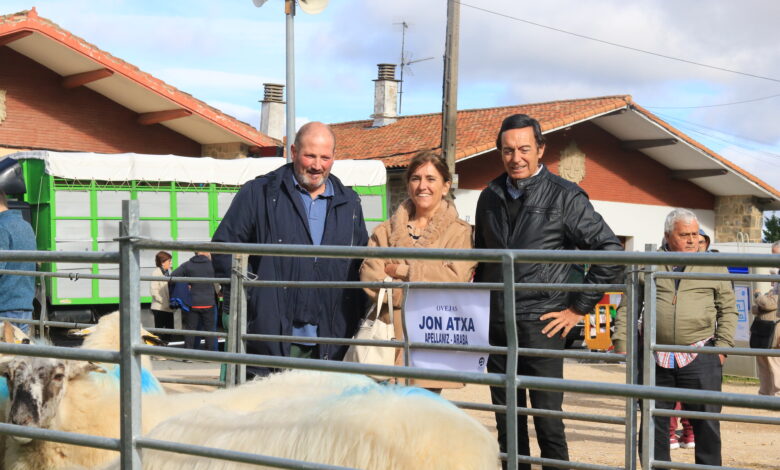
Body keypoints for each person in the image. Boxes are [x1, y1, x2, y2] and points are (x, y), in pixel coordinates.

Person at [473, 114, 623, 469]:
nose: (516, 157)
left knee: (548, 422)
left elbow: (611, 252)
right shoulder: (489, 197)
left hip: (544, 324)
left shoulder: (565, 196)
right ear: (500, 152)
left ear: (541, 149)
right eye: (508, 150)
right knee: (508, 421)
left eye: (525, 148)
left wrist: (578, 308)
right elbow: (482, 261)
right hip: (499, 327)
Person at [211, 121, 368, 377]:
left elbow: (359, 262)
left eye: (325, 157)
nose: (317, 165)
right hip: (269, 336)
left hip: (330, 340)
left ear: (333, 158)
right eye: (310, 155)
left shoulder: (349, 202)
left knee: (321, 415)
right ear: (294, 152)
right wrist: (254, 297)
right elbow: (224, 248)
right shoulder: (260, 192)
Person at [613, 208, 738, 466]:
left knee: (706, 424)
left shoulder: (714, 265)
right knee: (653, 421)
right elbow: (629, 305)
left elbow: (728, 309)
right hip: (654, 354)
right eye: (685, 235)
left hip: (702, 352)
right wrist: (622, 341)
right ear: (668, 235)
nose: (692, 240)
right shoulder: (648, 262)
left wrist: (723, 348)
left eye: (695, 234)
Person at [360, 151, 476, 390]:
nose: (422, 186)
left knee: (423, 418)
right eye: (416, 178)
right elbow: (371, 278)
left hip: (432, 339)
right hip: (388, 340)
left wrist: (401, 271)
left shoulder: (459, 233)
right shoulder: (384, 230)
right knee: (383, 420)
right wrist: (425, 286)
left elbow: (455, 280)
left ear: (445, 186)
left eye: (431, 179)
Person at [0, 191, 37, 334]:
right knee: (21, 354)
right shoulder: (25, 225)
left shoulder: (1, 228)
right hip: (24, 305)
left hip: (4, 307)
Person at [171, 252, 218, 351]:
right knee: (210, 330)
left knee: (190, 330)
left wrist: (186, 283)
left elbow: (174, 275)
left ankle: (188, 355)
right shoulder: (213, 264)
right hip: (209, 303)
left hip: (193, 303)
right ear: (204, 252)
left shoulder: (188, 264)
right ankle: (210, 355)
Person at [751, 241, 780, 396]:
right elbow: (761, 306)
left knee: (774, 362)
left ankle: (776, 394)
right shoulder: (775, 277)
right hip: (765, 327)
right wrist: (760, 302)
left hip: (775, 328)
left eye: (775, 254)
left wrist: (757, 296)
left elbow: (771, 303)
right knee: (764, 362)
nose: (773, 258)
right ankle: (765, 394)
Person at [149, 251, 174, 343]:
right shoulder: (156, 272)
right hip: (160, 307)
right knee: (159, 333)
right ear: (163, 262)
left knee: (169, 332)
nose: (171, 263)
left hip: (168, 307)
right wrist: (163, 301)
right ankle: (159, 353)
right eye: (169, 261)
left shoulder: (167, 272)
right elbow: (153, 290)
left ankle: (166, 351)